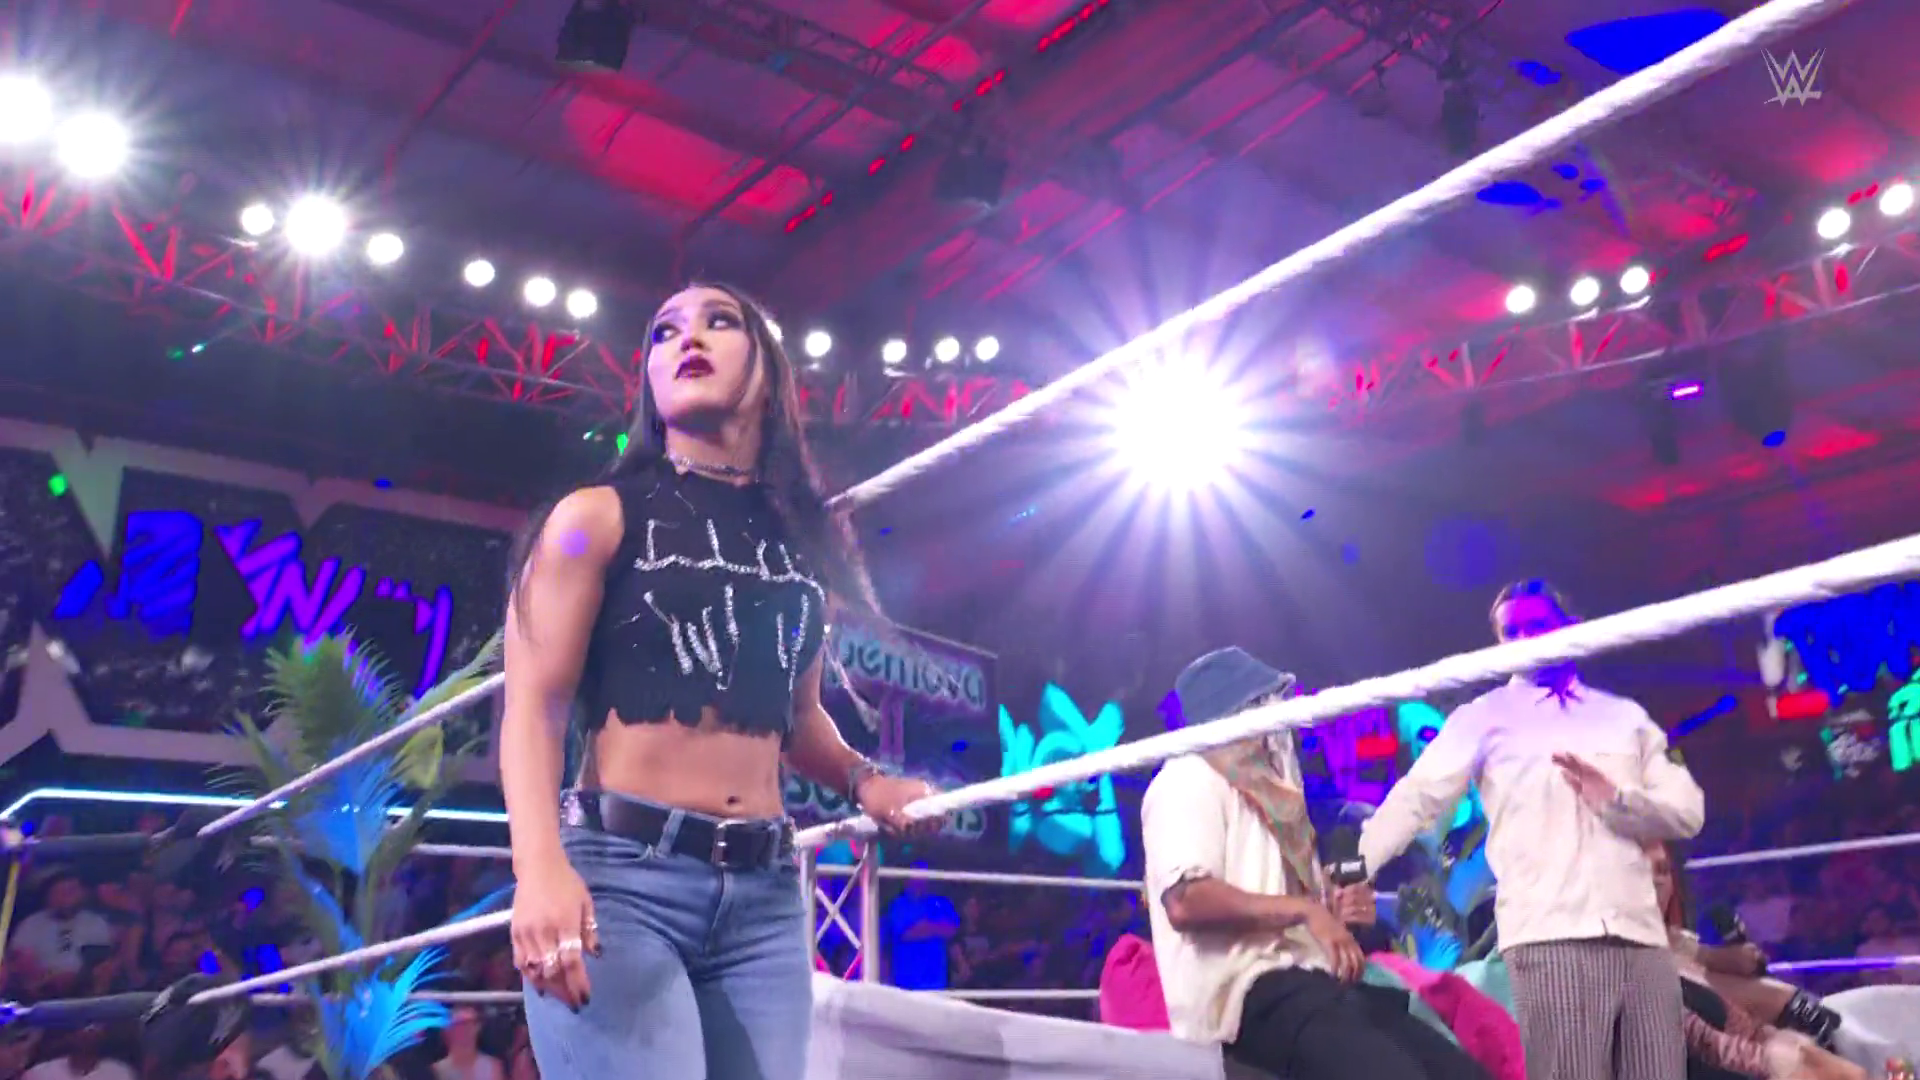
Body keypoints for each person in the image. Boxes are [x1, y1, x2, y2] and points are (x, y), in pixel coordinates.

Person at [500, 282, 935, 1080]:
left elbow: (797, 717)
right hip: (623, 881)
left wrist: (864, 780)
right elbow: (532, 708)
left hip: (764, 898)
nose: (687, 339)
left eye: (718, 321)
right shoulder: (591, 519)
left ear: (767, 369)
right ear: (649, 379)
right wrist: (538, 870)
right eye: (664, 332)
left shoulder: (805, 540)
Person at [1357, 579, 1706, 1080]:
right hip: (1549, 936)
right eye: (1511, 631)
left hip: (1640, 934)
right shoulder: (1484, 717)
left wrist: (1617, 803)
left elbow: (1687, 811)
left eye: (1537, 626)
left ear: (1569, 626)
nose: (1524, 640)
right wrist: (1355, 867)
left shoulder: (1622, 717)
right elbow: (1417, 797)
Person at [1142, 646, 1492, 1080]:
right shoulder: (1186, 779)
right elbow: (1185, 901)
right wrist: (1306, 912)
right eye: (1268, 703)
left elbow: (1289, 904)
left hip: (1312, 983)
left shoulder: (1274, 795)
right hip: (1251, 996)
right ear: (1242, 712)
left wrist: (1334, 910)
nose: (1282, 726)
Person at [1645, 842, 1866, 1080]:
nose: (1656, 882)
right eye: (1642, 872)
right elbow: (1707, 1040)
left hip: (1777, 1036)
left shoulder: (1677, 943)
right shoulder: (1635, 968)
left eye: (1663, 871)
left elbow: (1739, 1023)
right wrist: (1775, 1063)